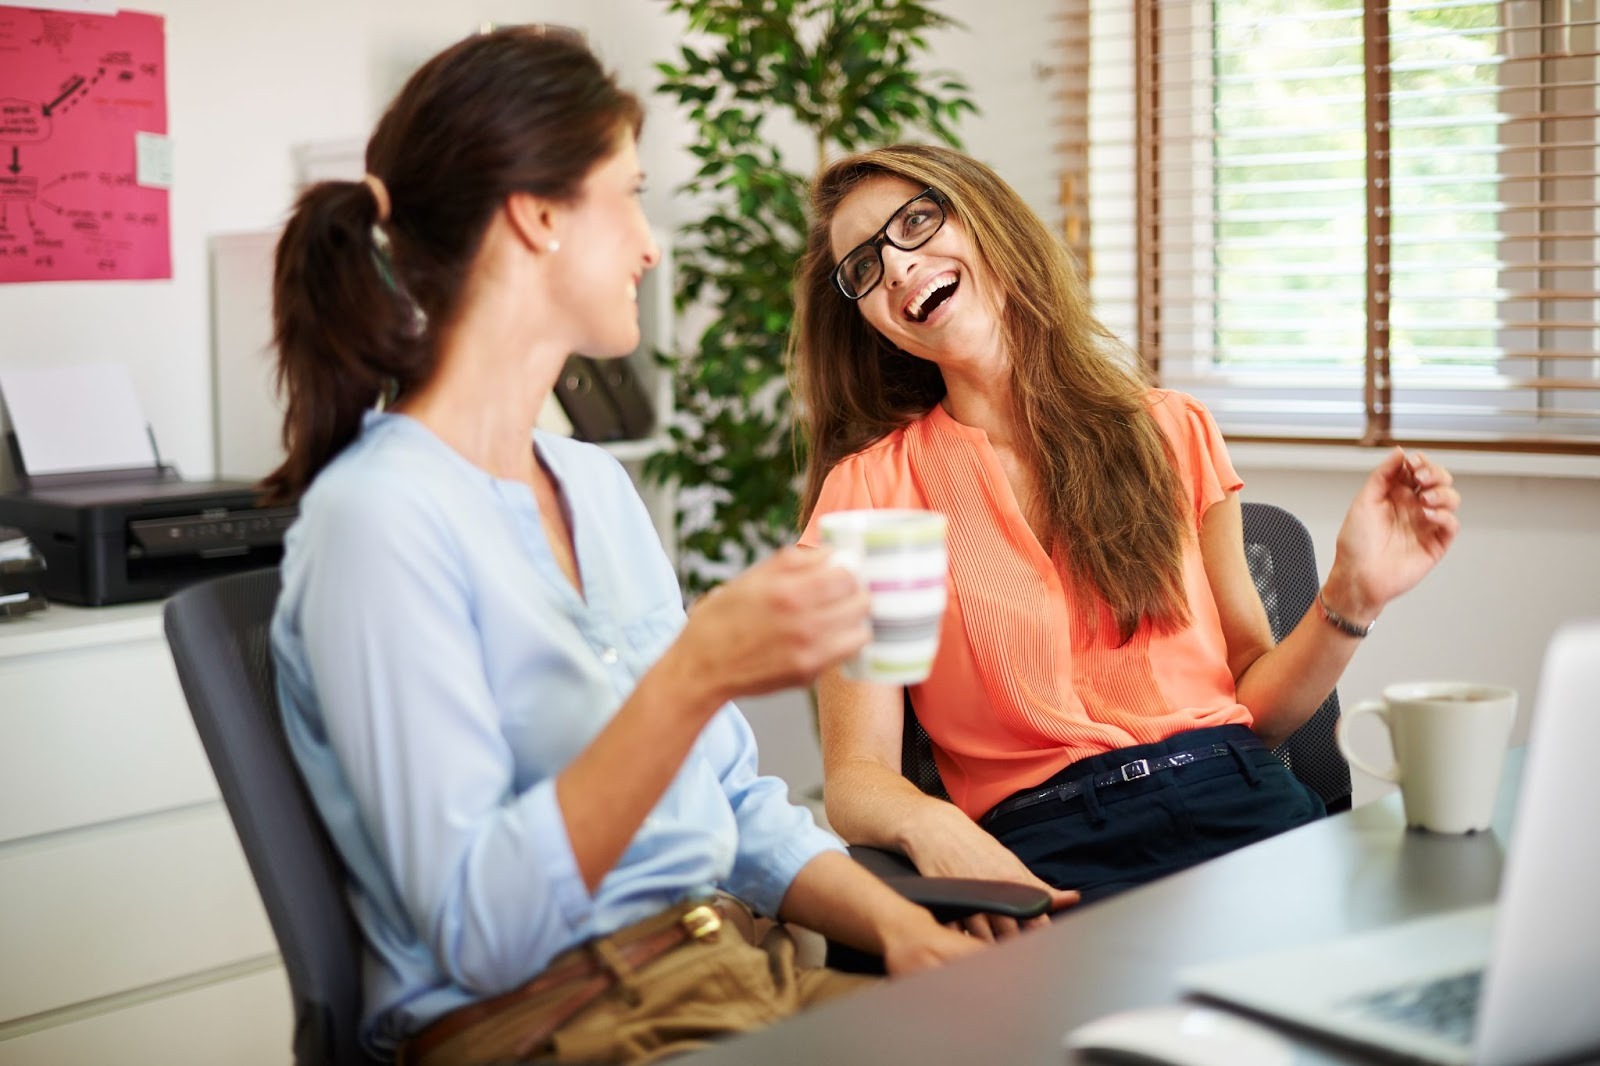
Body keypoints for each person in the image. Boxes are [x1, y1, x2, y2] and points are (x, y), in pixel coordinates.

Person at [265, 32, 979, 1066]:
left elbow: (733, 804)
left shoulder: (596, 488)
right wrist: (694, 674)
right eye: (631, 195)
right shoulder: (376, 520)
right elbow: (480, 931)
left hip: (735, 972)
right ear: (539, 215)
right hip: (556, 1022)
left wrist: (901, 926)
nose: (651, 245)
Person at [791, 144, 1462, 936]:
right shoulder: (877, 494)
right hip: (1046, 851)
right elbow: (861, 772)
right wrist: (939, 833)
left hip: (1238, 801)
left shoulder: (1170, 432)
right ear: (867, 317)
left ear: (990, 223)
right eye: (864, 267)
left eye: (916, 222)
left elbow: (1261, 710)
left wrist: (1353, 595)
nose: (898, 267)